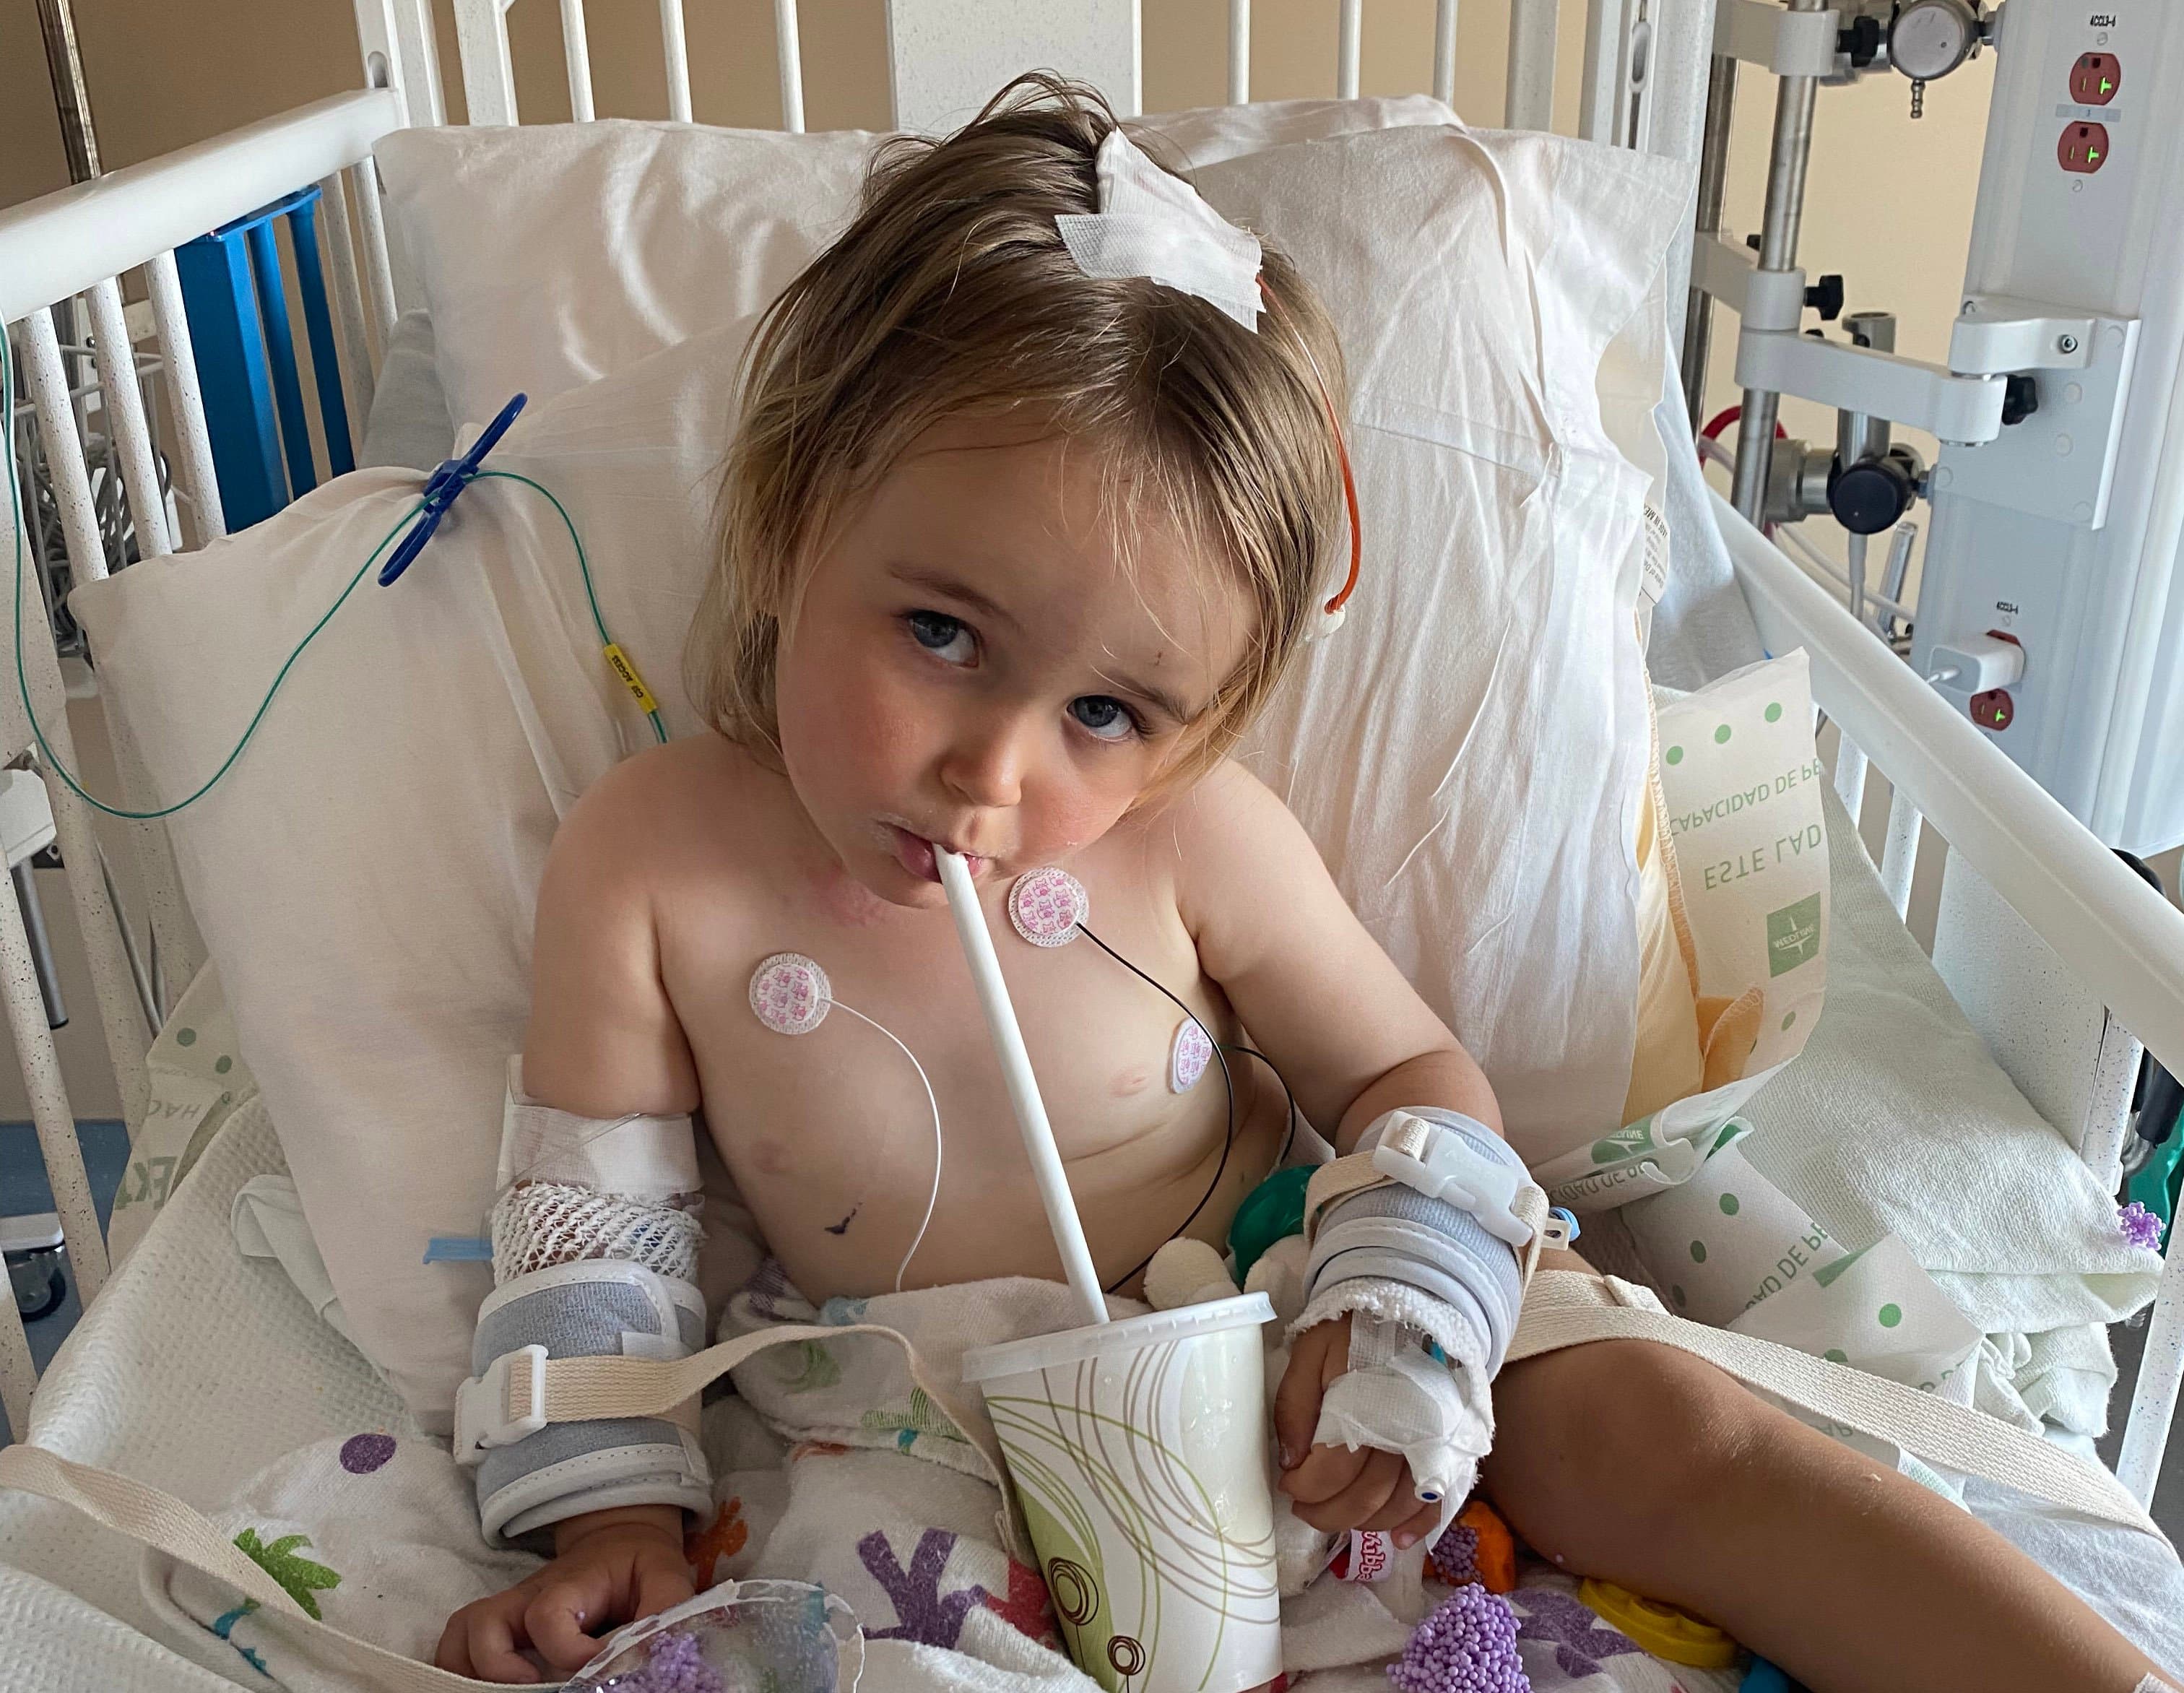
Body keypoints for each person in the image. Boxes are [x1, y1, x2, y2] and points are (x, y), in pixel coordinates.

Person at [436, 76, 2178, 1693]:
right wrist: (611, 1516)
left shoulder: (1190, 839)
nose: (997, 771)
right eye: (941, 632)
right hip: (948, 1413)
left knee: (1662, 1439)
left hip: (1288, 1288)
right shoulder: (656, 862)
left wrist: (1390, 1301)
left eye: (1107, 710)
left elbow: (1413, 1080)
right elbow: (596, 1232)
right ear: (790, 507)